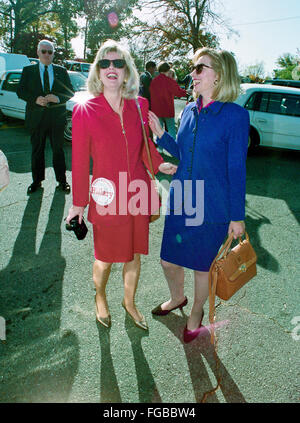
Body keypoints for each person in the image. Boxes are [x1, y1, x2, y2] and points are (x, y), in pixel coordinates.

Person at [66, 40, 177, 331]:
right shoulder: (84, 110)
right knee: (105, 258)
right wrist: (79, 203)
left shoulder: (140, 105)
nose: (112, 68)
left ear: (127, 72)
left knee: (133, 254)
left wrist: (159, 164)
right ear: (98, 71)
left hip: (136, 192)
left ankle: (129, 302)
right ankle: (100, 296)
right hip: (105, 195)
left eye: (118, 63)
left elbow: (145, 147)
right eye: (105, 63)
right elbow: (79, 162)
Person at [148, 48, 250, 343]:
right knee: (168, 260)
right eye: (193, 68)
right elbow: (182, 151)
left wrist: (237, 217)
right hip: (181, 199)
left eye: (199, 68)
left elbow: (236, 169)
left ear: (218, 75)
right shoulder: (190, 110)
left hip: (212, 207)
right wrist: (160, 135)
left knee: (201, 268)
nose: (192, 74)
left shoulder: (235, 116)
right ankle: (177, 297)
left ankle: (196, 312)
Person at [17, 39, 74, 194]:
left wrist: (58, 98)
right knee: (37, 150)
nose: (47, 55)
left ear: (53, 54)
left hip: (56, 118)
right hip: (36, 118)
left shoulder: (61, 71)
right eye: (44, 51)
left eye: (50, 52)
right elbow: (20, 91)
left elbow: (70, 91)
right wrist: (35, 99)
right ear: (38, 52)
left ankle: (62, 181)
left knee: (58, 150)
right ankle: (37, 181)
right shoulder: (28, 71)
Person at [150, 61, 187, 145]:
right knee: (171, 129)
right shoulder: (170, 81)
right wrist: (186, 92)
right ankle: (173, 147)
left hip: (157, 109)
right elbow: (178, 93)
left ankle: (160, 147)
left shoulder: (154, 81)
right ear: (168, 70)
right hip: (168, 108)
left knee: (159, 129)